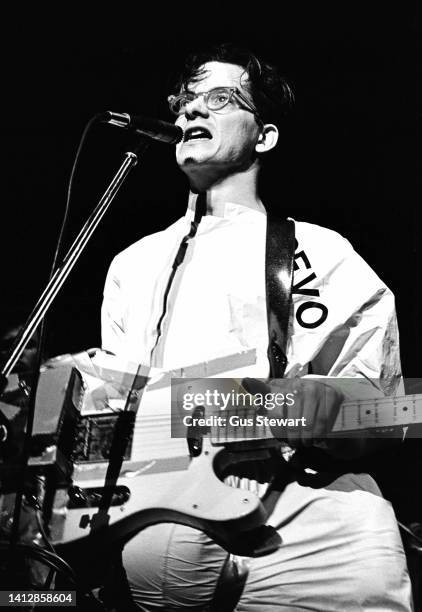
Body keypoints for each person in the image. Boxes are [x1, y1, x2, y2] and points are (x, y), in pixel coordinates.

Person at [101, 44, 412, 611]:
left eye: (219, 99)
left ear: (264, 136)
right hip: (160, 528)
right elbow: (112, 412)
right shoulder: (131, 263)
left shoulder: (321, 250)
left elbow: (389, 410)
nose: (193, 111)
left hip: (305, 519)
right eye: (186, 100)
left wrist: (242, 411)